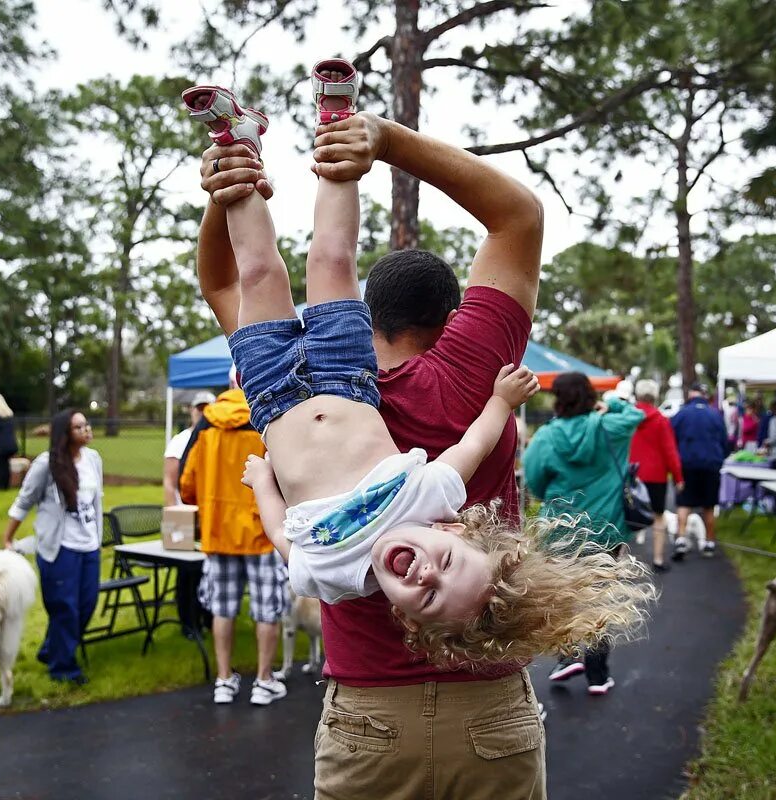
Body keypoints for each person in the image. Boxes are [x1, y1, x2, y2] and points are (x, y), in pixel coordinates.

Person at [189, 65, 583, 798]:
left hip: (369, 716)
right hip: (487, 711)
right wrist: (387, 140)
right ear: (452, 319)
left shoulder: (315, 380)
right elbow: (518, 218)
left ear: (368, 316)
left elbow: (227, 282)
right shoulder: (473, 370)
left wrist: (225, 190)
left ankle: (244, 148)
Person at [522, 372, 646, 695]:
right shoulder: (609, 428)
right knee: (599, 598)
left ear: (558, 399)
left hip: (560, 531)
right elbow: (636, 414)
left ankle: (567, 657)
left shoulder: (547, 437)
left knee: (565, 596)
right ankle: (597, 675)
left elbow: (534, 482)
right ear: (591, 396)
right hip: (606, 530)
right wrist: (614, 401)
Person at [179, 386, 285, 705]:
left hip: (218, 532)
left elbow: (187, 484)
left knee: (222, 609)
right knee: (267, 609)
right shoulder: (266, 416)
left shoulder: (206, 425)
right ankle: (264, 681)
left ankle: (224, 680)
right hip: (261, 530)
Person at [1, 409, 101, 684]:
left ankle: (51, 648)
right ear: (65, 434)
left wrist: (98, 535)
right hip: (60, 548)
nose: (86, 430)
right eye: (78, 427)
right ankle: (62, 667)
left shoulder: (93, 459)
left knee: (87, 603)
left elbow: (95, 502)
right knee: (64, 607)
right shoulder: (47, 464)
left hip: (89, 545)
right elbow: (24, 501)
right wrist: (8, 538)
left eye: (86, 425)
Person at [629, 378, 684, 571]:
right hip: (657, 476)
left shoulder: (626, 418)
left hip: (631, 475)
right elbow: (670, 451)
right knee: (658, 517)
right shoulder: (661, 420)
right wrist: (678, 477)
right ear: (654, 396)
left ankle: (619, 563)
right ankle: (658, 559)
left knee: (626, 516)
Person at [670, 383, 728, 559]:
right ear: (704, 395)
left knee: (684, 503)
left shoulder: (681, 414)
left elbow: (671, 440)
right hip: (711, 464)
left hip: (687, 464)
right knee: (709, 505)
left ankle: (680, 538)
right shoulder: (715, 415)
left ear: (691, 394)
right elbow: (724, 442)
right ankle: (709, 542)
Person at [162, 390, 216, 506]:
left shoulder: (218, 439)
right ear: (192, 410)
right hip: (185, 507)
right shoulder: (179, 440)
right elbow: (169, 482)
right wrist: (173, 512)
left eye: (208, 408)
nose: (203, 413)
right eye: (200, 408)